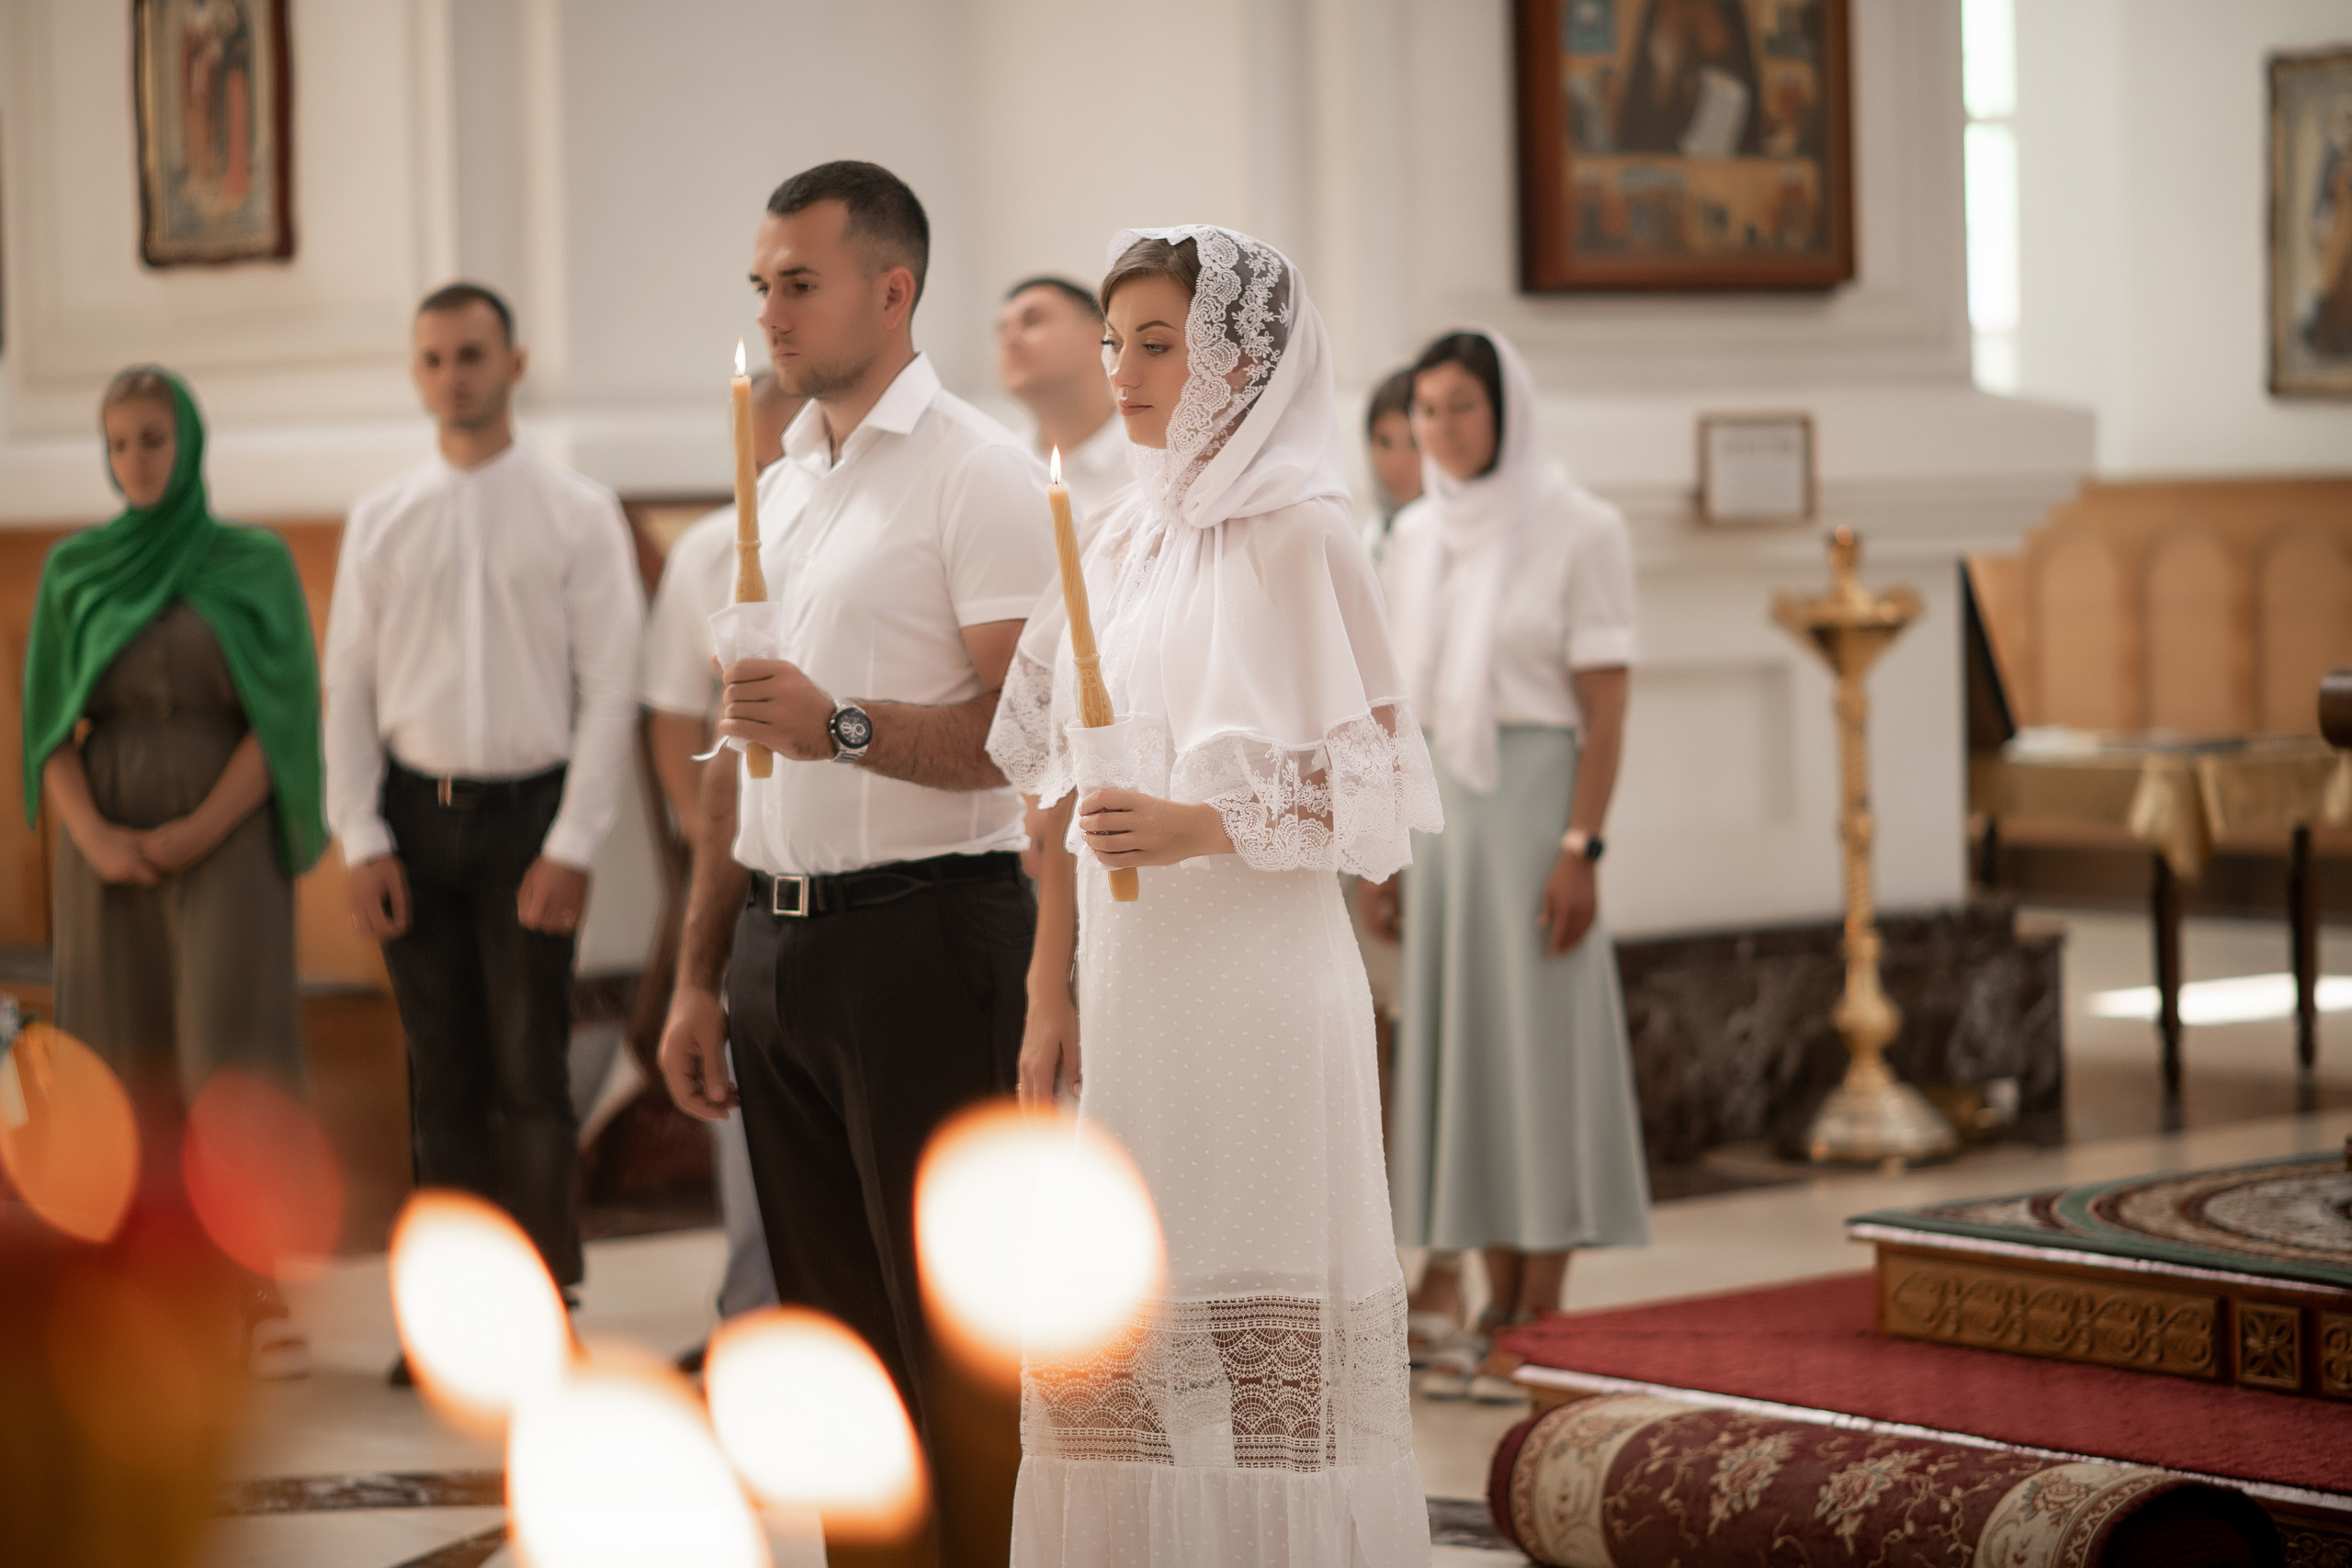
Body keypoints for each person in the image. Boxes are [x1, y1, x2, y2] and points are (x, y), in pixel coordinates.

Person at [989, 226, 1442, 1566]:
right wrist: (1045, 982)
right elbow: (1059, 782)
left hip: (1259, 983)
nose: (1123, 369)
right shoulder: (1117, 539)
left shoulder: (1305, 535)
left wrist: (1198, 823)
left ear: (1241, 358)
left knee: (1255, 1323)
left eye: (1158, 342)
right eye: (1116, 340)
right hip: (1132, 989)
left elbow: (1373, 798)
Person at [655, 161, 1053, 1565]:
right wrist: (702, 970)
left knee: (952, 1337)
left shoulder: (978, 474)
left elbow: (1025, 735)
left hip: (929, 941)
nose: (771, 309)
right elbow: (736, 762)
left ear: (893, 290)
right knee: (835, 1344)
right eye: (761, 283)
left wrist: (843, 722)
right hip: (781, 944)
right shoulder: (784, 485)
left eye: (798, 281)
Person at [325, 282, 645, 1372]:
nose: (453, 376)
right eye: (433, 359)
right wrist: (360, 833)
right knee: (441, 1080)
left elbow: (612, 689)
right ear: (416, 375)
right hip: (415, 820)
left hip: (529, 823)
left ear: (513, 364)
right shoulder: (381, 520)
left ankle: (544, 1306)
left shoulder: (575, 511)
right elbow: (349, 693)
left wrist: (574, 845)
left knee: (529, 1075)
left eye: (471, 355)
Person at [24, 365, 328, 1380]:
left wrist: (198, 829)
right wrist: (99, 840)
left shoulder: (253, 561)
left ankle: (254, 1282)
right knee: (115, 1050)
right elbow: (43, 735)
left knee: (228, 1047)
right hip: (100, 843)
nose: (136, 461)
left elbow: (281, 723)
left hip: (227, 836)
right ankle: (127, 1280)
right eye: (118, 444)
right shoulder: (74, 569)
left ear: (188, 443)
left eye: (153, 439)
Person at [1370, 329, 1650, 1404]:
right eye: (1427, 410)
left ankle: (1543, 1313)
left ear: (1506, 414)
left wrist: (1581, 846)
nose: (1441, 430)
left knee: (1539, 1059)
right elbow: (1396, 703)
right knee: (1471, 1063)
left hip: (1536, 810)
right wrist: (1384, 846)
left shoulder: (1581, 527)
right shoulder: (1413, 537)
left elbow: (1607, 707)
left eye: (1461, 409)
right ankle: (1497, 1311)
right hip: (1441, 814)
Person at [637, 369, 804, 1355]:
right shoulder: (705, 550)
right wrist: (705, 842)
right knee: (730, 1074)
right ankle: (750, 1302)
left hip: (831, 839)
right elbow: (671, 715)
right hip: (733, 835)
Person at [996, 275, 1125, 529]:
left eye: (1032, 322)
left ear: (1099, 338)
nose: (1009, 340)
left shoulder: (1153, 464)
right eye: (1002, 329)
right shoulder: (1000, 467)